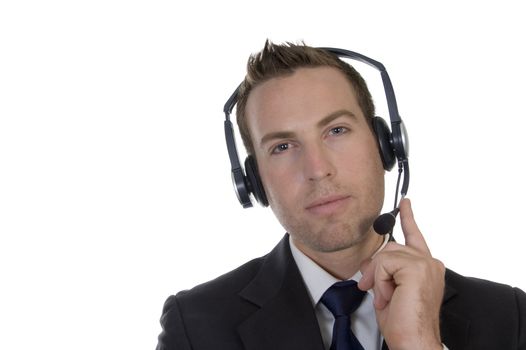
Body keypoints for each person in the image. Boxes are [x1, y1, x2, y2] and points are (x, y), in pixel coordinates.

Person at [156, 41, 526, 350]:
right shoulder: (195, 327)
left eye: (336, 130)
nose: (317, 169)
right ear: (253, 181)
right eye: (283, 146)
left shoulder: (508, 317)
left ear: (386, 145)